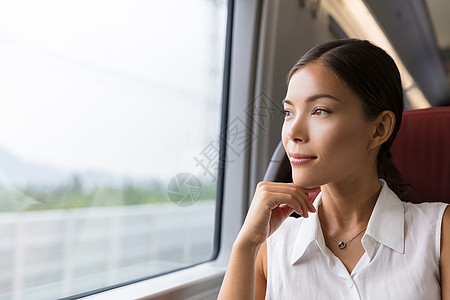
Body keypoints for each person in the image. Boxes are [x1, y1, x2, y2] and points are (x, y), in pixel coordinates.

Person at [217, 39, 450, 299]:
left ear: (379, 129)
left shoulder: (440, 232)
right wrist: (245, 245)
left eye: (319, 111)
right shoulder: (270, 246)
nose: (292, 132)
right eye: (288, 112)